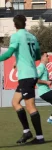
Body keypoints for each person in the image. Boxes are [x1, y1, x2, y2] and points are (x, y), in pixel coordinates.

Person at [0, 15, 44, 145]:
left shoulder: (16, 36)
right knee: (15, 102)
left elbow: (8, 53)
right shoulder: (32, 37)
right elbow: (37, 55)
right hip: (30, 73)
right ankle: (26, 132)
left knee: (30, 106)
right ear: (25, 24)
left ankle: (40, 137)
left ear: (15, 25)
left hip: (27, 75)